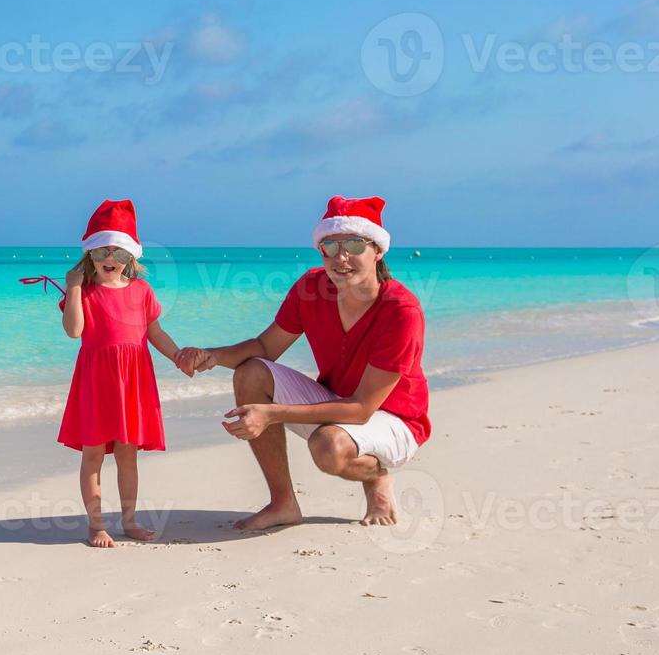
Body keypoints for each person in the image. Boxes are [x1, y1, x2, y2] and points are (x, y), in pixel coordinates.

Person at [176, 196, 430, 531]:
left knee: (328, 447)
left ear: (378, 250)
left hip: (394, 419)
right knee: (251, 372)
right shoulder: (312, 287)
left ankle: (376, 475)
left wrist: (271, 414)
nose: (341, 257)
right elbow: (265, 346)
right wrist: (213, 355)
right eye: (329, 245)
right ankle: (283, 504)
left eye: (354, 244)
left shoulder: (401, 311)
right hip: (336, 403)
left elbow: (362, 408)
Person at [58, 199, 190, 548]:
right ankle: (96, 525)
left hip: (133, 381)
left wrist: (176, 355)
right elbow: (74, 331)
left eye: (117, 251)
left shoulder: (142, 291)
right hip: (96, 383)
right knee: (94, 454)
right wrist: (73, 288)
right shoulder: (84, 293)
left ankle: (129, 520)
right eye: (101, 251)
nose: (109, 258)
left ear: (131, 256)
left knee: (129, 454)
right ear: (89, 255)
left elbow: (155, 332)